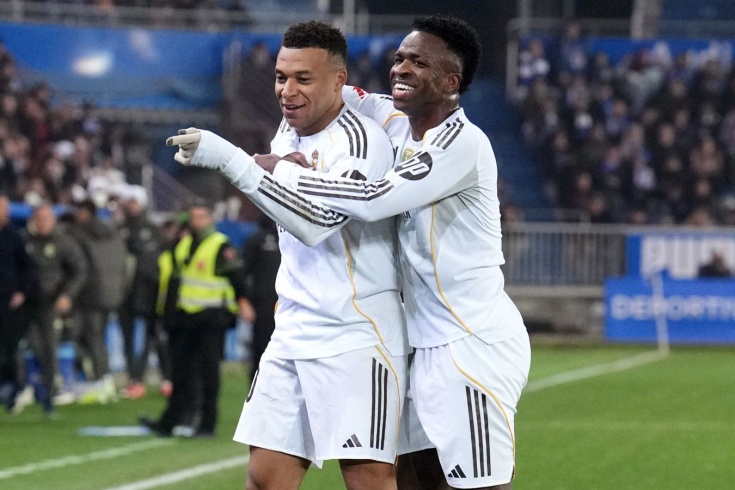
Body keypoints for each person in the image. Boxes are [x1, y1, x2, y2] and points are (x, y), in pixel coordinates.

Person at [172, 15, 532, 489]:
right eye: (400, 57)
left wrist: (270, 168)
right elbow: (341, 90)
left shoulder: (460, 143)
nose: (401, 68)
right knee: (419, 481)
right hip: (418, 338)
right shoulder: (389, 116)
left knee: (475, 486)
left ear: (450, 82)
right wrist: (304, 86)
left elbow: (372, 199)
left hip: (469, 338)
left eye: (418, 62)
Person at [166, 21, 410, 490]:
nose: (287, 90)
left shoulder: (361, 142)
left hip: (357, 335)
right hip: (293, 330)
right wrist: (277, 173)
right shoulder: (287, 132)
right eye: (281, 77)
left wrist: (234, 161)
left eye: (303, 78)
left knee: (369, 482)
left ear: (338, 81)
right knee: (264, 478)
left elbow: (319, 223)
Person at [139, 202, 251, 438]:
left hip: (212, 317)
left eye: (201, 217)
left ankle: (207, 423)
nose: (197, 222)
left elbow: (237, 277)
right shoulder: (184, 245)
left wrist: (242, 303)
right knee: (180, 372)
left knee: (209, 373)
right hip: (187, 316)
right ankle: (170, 421)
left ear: (210, 219)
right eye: (193, 217)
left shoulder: (220, 245)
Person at [21, 204, 88, 415]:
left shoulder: (64, 242)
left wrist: (67, 294)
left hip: (50, 303)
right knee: (29, 345)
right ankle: (24, 387)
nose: (42, 222)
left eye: (46, 218)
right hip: (25, 303)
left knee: (49, 347)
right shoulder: (24, 241)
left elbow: (80, 270)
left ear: (53, 220)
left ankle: (50, 393)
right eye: (39, 218)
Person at [69, 199, 127, 402]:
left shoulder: (79, 234)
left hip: (91, 294)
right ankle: (102, 377)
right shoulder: (113, 233)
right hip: (113, 294)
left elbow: (81, 267)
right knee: (97, 336)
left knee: (89, 336)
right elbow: (124, 263)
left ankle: (101, 378)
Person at [118, 185, 162, 399]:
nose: (131, 206)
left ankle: (140, 376)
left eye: (134, 201)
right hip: (124, 293)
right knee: (128, 336)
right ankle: (132, 377)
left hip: (147, 292)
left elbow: (154, 263)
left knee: (147, 336)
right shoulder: (118, 228)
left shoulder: (152, 230)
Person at [0, 195, 32, 411]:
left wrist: (21, 292)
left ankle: (13, 389)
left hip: (8, 301)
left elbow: (27, 267)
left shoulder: (14, 236)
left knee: (10, 347)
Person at [240, 213, 280, 383]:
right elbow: (242, 273)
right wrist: (243, 301)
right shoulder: (258, 239)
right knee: (262, 352)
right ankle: (258, 390)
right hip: (263, 307)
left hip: (294, 307)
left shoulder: (299, 240)